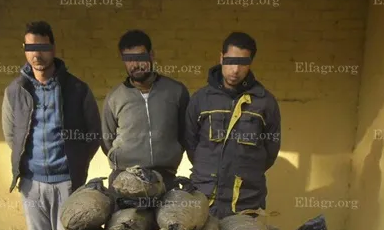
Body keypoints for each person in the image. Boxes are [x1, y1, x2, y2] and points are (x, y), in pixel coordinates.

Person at [2, 21, 101, 230]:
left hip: (67, 182)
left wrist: (76, 163)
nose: (37, 54)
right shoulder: (15, 91)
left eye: (43, 48)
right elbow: (11, 135)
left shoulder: (77, 89)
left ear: (53, 49)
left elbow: (93, 133)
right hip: (31, 183)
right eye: (30, 48)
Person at [185, 32, 281, 218]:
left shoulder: (265, 102)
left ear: (250, 63)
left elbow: (270, 151)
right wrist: (208, 168)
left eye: (243, 63)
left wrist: (247, 171)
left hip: (247, 202)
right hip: (205, 199)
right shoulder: (200, 100)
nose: (235, 70)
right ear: (221, 58)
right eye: (230, 61)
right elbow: (190, 144)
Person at [101, 30, 190, 188]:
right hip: (123, 179)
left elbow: (186, 135)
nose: (135, 65)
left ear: (151, 55)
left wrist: (171, 154)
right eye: (129, 60)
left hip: (166, 178)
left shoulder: (176, 92)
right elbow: (106, 140)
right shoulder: (114, 97)